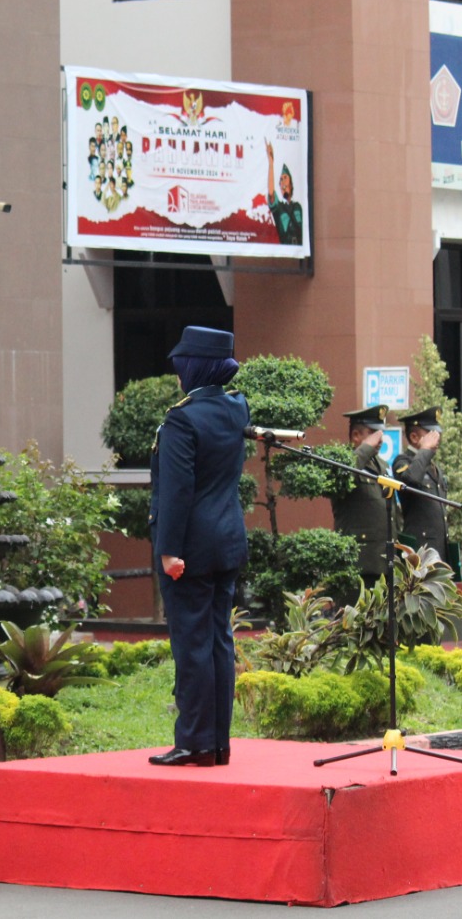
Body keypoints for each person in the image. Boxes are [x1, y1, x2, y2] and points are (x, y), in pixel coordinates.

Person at [147, 326, 251, 768]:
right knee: (218, 643)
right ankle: (218, 743)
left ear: (194, 368)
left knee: (192, 645)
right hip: (227, 540)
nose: (176, 376)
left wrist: (168, 550)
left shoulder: (182, 419)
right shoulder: (235, 408)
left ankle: (193, 742)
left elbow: (176, 491)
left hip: (188, 548)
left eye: (180, 367)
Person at [330, 405, 393, 576]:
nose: (380, 438)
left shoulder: (382, 466)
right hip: (359, 563)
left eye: (381, 433)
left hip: (384, 561)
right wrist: (365, 448)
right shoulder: (343, 461)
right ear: (356, 435)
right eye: (373, 432)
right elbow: (341, 478)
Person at [392, 406, 449, 559]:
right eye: (431, 434)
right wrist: (425, 449)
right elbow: (410, 479)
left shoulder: (432, 466)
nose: (437, 438)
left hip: (438, 551)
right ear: (415, 437)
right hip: (419, 551)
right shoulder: (402, 461)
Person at [265, 142, 304, 246]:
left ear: (291, 183)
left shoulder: (298, 207)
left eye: (285, 178)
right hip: (287, 249)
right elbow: (271, 193)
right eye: (280, 179)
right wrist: (271, 163)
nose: (282, 181)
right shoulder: (279, 208)